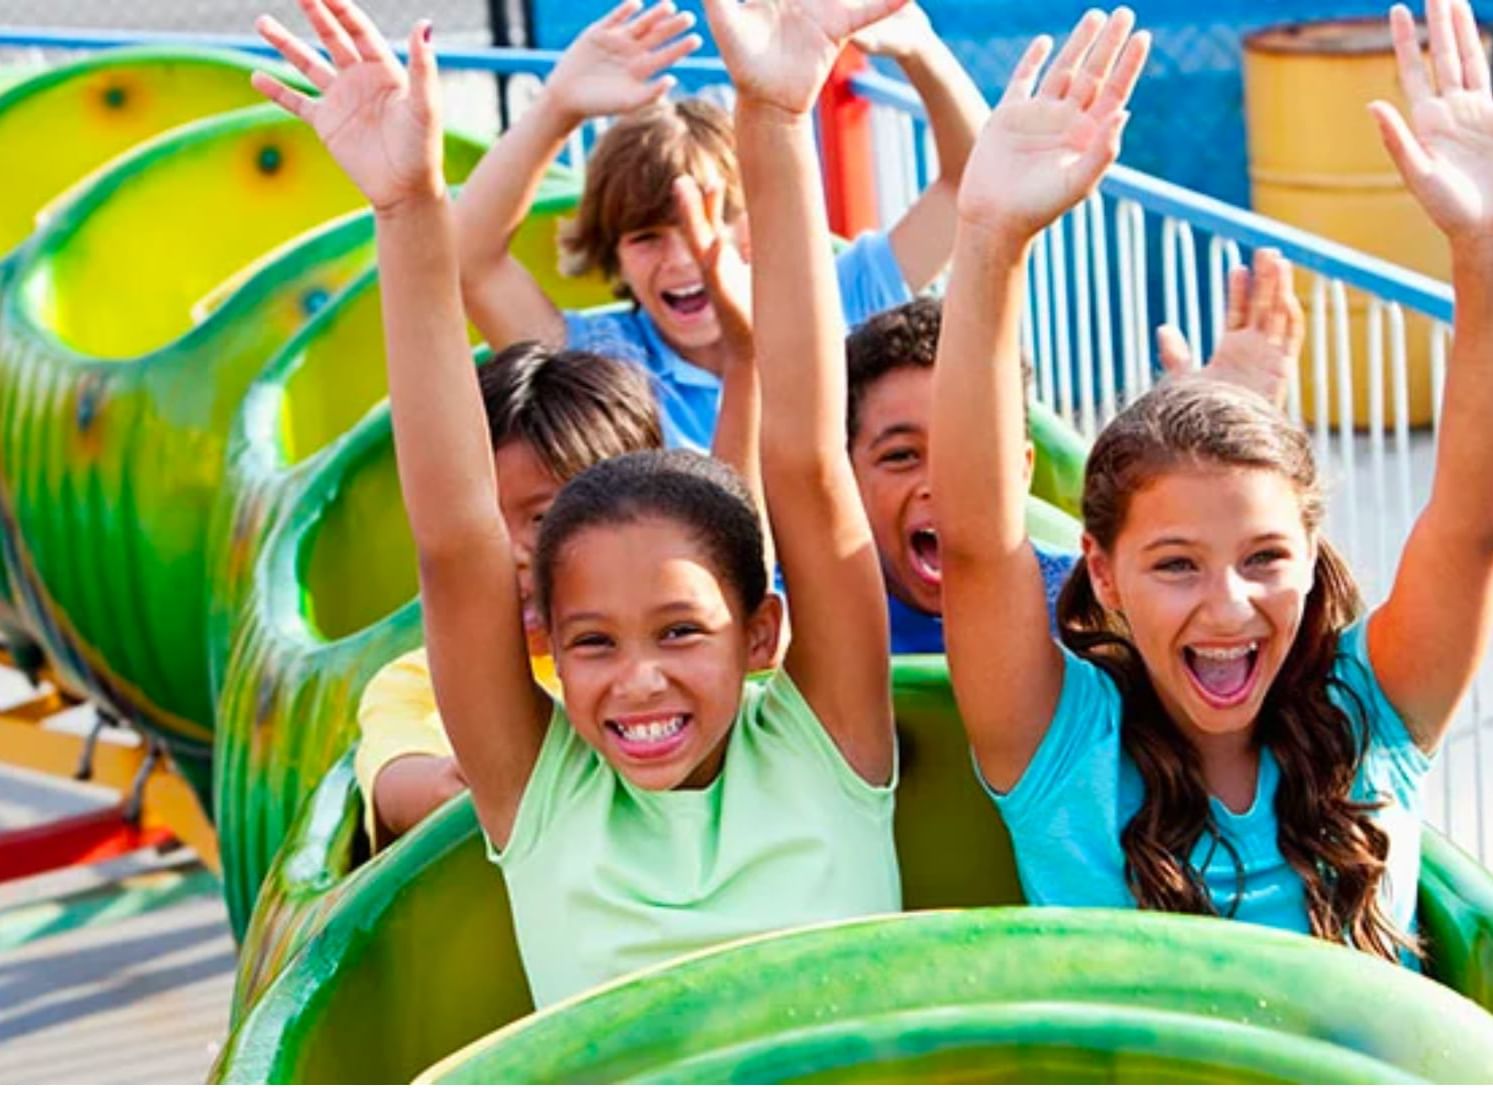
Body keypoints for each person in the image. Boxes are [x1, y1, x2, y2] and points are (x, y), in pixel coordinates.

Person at [253, 0, 902, 1008]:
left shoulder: (830, 741)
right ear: (547, 639)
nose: (637, 679)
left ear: (762, 629)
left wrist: (773, 120)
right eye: (591, 642)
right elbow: (456, 539)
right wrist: (407, 213)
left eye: (680, 629)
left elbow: (809, 466)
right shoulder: (541, 792)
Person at [930, 0, 1493, 963]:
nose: (1228, 606)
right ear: (1103, 575)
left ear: (1313, 559)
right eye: (1177, 565)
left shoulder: (1369, 707)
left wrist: (1482, 257)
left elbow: (1472, 521)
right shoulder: (1063, 746)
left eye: (1265, 557)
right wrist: (988, 240)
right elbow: (979, 541)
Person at [451, 0, 988, 452]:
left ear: (763, 219)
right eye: (647, 236)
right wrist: (556, 109)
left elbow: (973, 184)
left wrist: (922, 52)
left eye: (713, 218)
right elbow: (466, 261)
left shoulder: (837, 298)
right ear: (613, 253)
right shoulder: (603, 363)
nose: (686, 258)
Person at [848, 249, 1303, 654]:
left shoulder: (1084, 603)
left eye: (975, 453)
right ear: (846, 475)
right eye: (902, 456)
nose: (944, 481)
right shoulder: (799, 614)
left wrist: (1220, 462)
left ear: (1024, 470)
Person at [354, 342, 664, 851]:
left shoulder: (687, 657)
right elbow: (408, 785)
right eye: (479, 526)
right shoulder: (418, 683)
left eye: (542, 519)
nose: (511, 554)